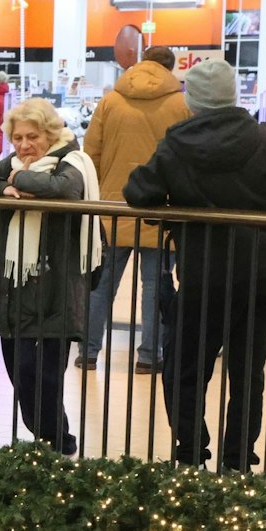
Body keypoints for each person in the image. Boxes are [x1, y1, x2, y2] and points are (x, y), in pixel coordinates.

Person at [125, 57, 266, 473]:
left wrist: (173, 210)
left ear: (193, 101)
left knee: (184, 366)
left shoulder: (176, 145)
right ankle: (238, 459)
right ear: (234, 95)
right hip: (259, 272)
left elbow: (138, 192)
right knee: (247, 371)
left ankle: (191, 451)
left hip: (201, 272)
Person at [0, 98, 104, 457]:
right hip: (12, 288)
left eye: (32, 137)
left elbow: (63, 188)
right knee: (21, 374)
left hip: (56, 288)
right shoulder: (14, 162)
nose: (24, 146)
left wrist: (17, 178)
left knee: (46, 377)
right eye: (18, 138)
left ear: (50, 134)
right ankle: (52, 441)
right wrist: (3, 188)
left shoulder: (73, 161)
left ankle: (57, 444)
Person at [80, 45, 190, 373]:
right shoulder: (182, 104)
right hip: (160, 209)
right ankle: (149, 356)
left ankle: (87, 352)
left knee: (101, 285)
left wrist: (97, 194)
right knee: (155, 287)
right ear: (171, 68)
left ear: (142, 62)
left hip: (113, 207)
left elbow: (91, 152)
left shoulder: (110, 101)